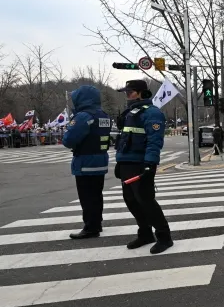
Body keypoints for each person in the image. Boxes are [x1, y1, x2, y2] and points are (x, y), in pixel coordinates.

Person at [115, 79, 173, 254]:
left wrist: (149, 164)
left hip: (141, 163)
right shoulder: (131, 112)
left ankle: (164, 237)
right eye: (126, 92)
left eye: (130, 92)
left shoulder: (152, 113)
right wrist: (120, 161)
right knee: (131, 201)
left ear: (141, 93)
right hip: (127, 163)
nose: (127, 95)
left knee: (146, 201)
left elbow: (154, 142)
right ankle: (145, 233)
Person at [63, 85, 112, 239]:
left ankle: (91, 227)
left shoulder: (83, 116)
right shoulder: (103, 115)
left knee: (87, 196)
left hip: (86, 161)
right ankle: (97, 222)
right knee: (97, 195)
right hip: (101, 160)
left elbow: (68, 140)